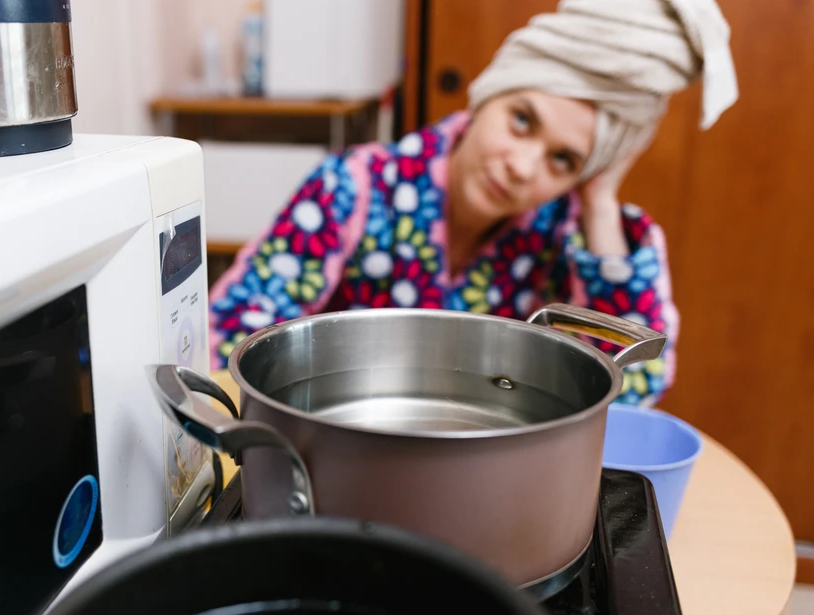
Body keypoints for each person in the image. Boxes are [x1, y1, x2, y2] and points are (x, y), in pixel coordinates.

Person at [207, 0, 738, 406]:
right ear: (488, 95)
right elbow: (234, 337)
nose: (523, 166)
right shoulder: (355, 189)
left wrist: (599, 198)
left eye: (563, 160)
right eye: (522, 120)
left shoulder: (563, 236)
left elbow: (631, 382)